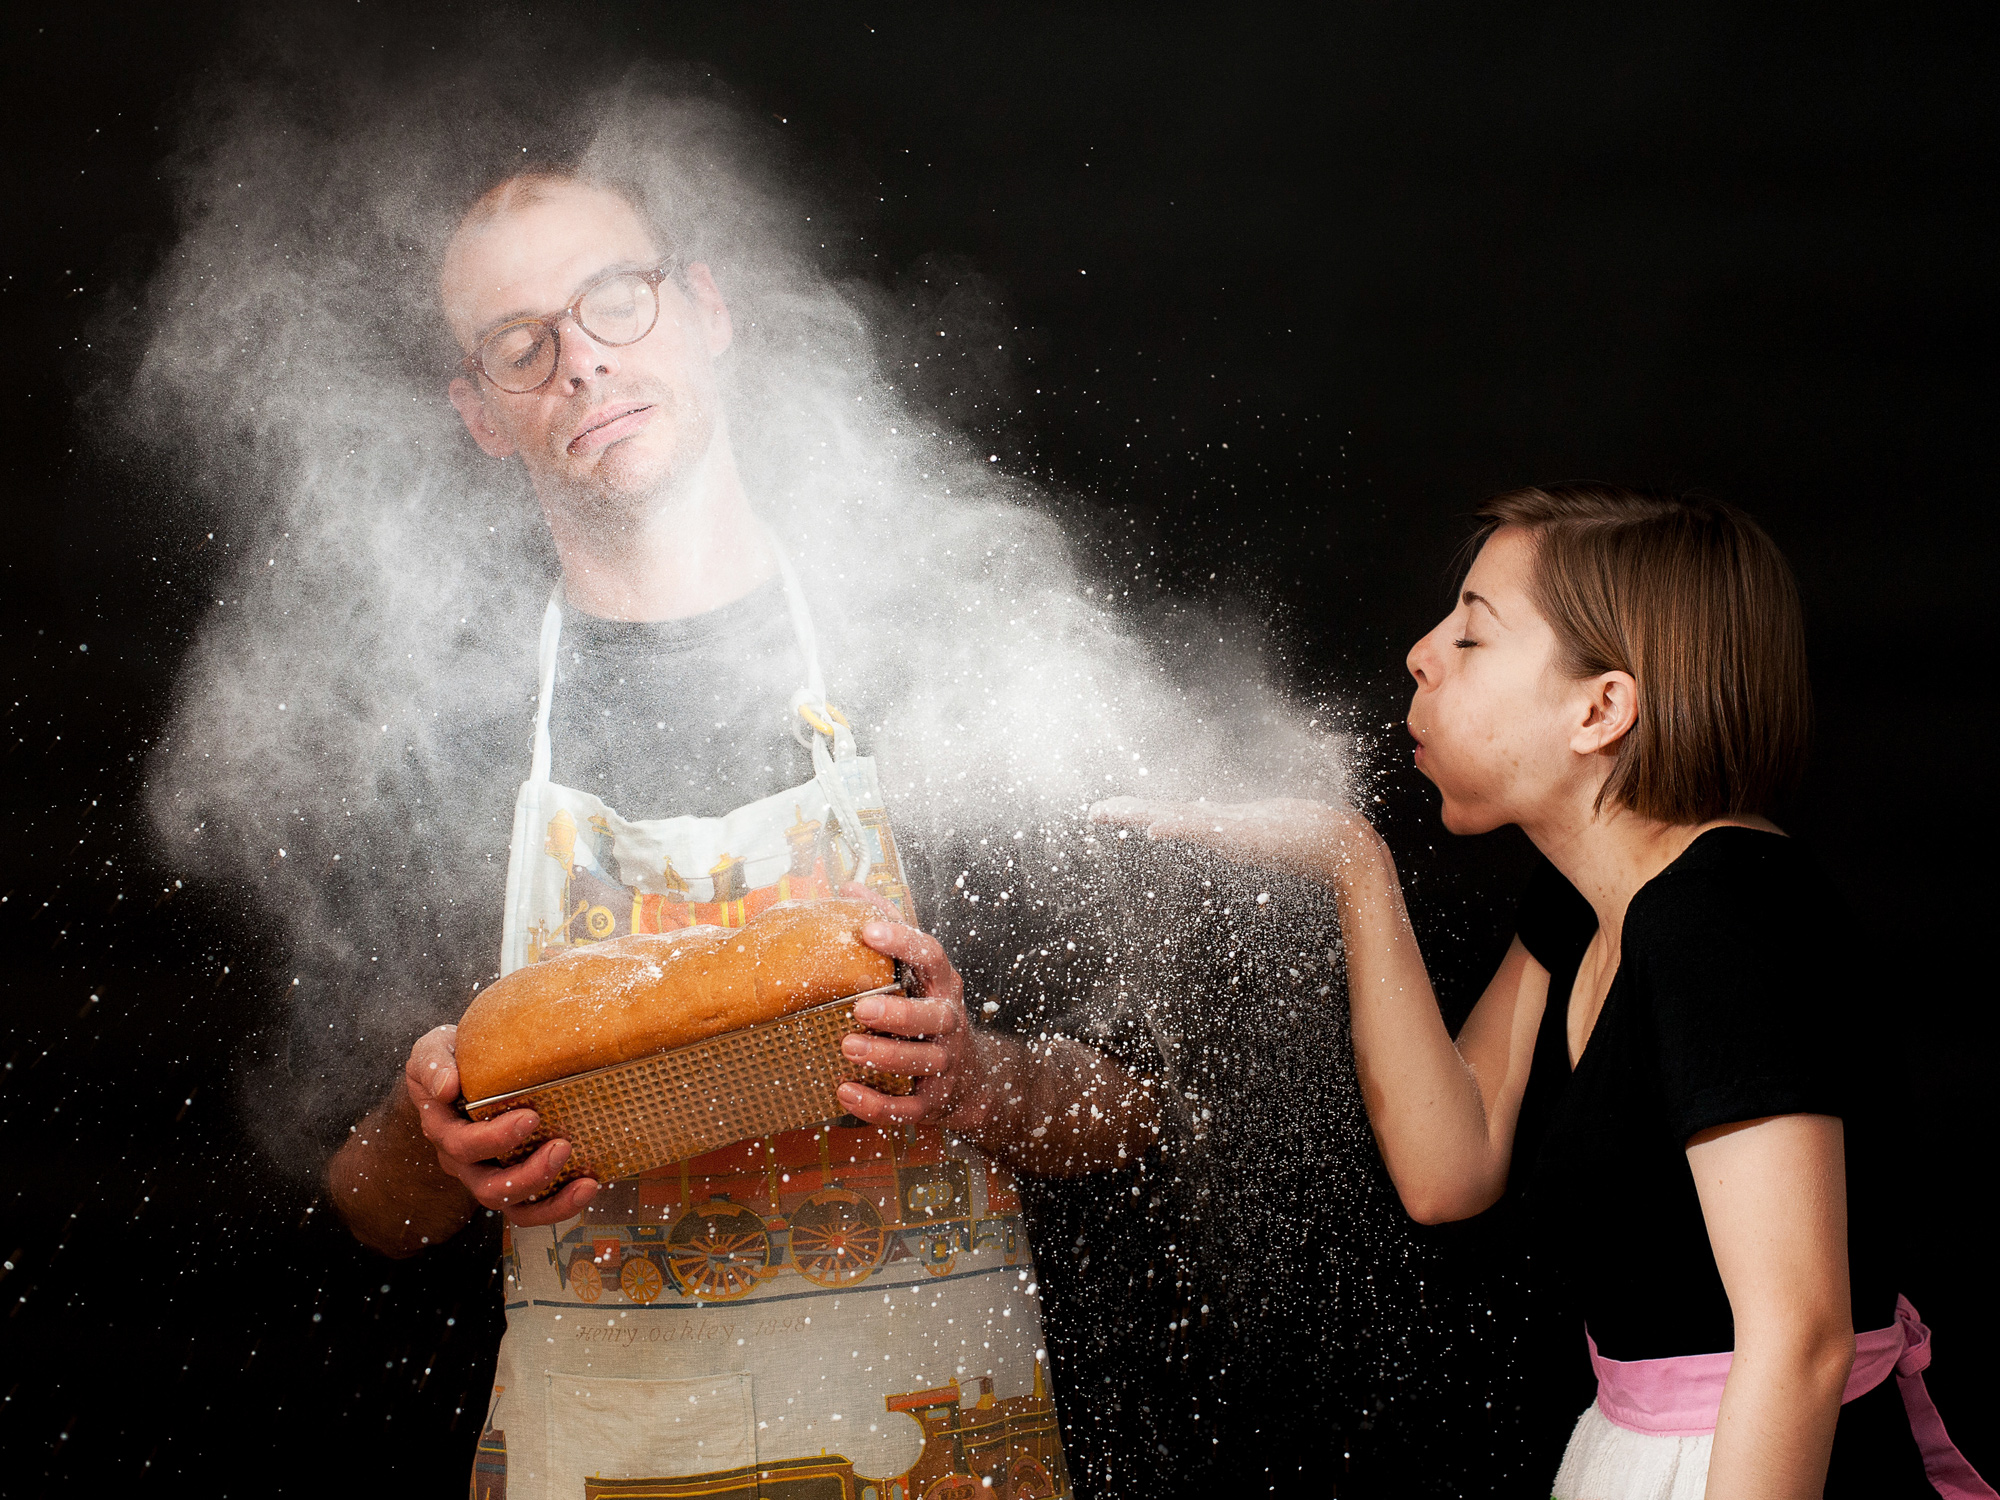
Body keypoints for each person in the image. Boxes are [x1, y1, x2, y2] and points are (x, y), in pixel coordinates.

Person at [324, 169, 1162, 1497]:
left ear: (706, 309)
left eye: (616, 299)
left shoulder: (949, 659)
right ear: (479, 413)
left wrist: (977, 1083)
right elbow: (368, 1206)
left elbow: (1145, 1110)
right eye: (520, 344)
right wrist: (430, 1147)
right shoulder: (445, 738)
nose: (584, 359)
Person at [1095, 485, 1992, 1498]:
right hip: (1634, 1450)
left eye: (1471, 639)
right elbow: (1449, 1165)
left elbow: (1799, 1340)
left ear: (1598, 708)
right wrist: (1352, 865)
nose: (1419, 654)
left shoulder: (1723, 917)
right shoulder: (1583, 903)